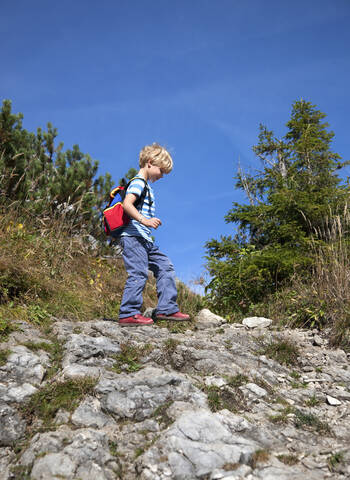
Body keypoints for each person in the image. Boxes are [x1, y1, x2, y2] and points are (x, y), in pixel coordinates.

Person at [118, 143, 190, 327]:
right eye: (161, 170)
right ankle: (128, 313)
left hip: (145, 240)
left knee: (165, 266)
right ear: (150, 163)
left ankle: (167, 308)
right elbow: (127, 204)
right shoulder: (138, 182)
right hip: (133, 238)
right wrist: (145, 220)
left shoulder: (145, 185)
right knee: (139, 273)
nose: (162, 175)